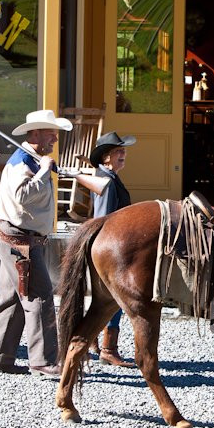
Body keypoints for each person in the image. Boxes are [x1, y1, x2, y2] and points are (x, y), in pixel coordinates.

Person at [0, 109, 73, 377]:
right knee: (39, 296)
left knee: (12, 300)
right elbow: (23, 196)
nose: (55, 139)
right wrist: (44, 172)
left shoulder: (30, 159)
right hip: (20, 241)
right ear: (35, 133)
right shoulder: (23, 162)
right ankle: (44, 361)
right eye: (51, 133)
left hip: (17, 238)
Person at [88, 131, 137, 367]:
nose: (123, 155)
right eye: (118, 152)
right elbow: (104, 218)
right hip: (112, 249)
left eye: (123, 151)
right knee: (115, 298)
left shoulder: (108, 177)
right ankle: (108, 348)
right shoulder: (106, 181)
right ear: (106, 157)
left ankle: (96, 343)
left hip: (112, 247)